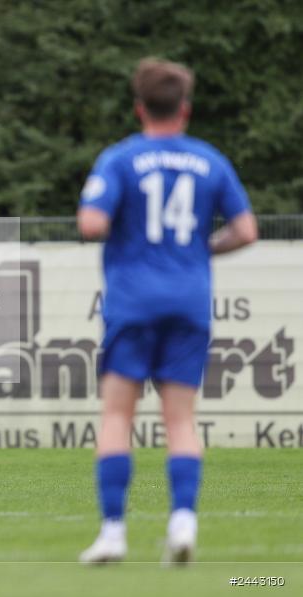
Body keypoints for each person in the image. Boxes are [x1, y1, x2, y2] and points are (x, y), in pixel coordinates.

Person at [76, 58, 258, 564]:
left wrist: (130, 234)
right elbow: (245, 231)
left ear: (139, 108)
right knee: (181, 420)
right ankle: (182, 524)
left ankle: (113, 533)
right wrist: (202, 247)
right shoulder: (210, 160)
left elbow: (91, 222)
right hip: (189, 301)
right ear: (186, 109)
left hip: (133, 302)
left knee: (117, 415)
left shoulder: (120, 158)